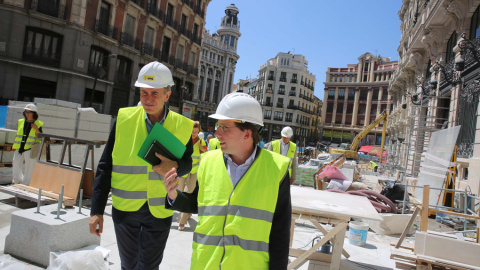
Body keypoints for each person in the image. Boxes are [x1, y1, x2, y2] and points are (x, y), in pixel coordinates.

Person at [164, 92, 292, 270]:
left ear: (247, 134)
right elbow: (197, 203)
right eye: (218, 126)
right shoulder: (208, 161)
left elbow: (280, 233)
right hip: (205, 264)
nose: (216, 133)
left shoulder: (277, 169)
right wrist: (173, 196)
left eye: (224, 127)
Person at [89, 61, 194, 270]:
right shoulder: (124, 119)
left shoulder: (182, 125)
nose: (148, 99)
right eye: (143, 93)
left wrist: (175, 166)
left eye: (154, 94)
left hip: (160, 210)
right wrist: (96, 210)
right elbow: (105, 166)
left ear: (167, 95)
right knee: (128, 265)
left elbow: (187, 163)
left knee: (149, 267)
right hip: (125, 209)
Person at [177, 121, 207, 231]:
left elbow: (207, 153)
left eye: (196, 131)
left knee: (187, 192)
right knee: (181, 192)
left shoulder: (201, 141)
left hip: (193, 171)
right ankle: (187, 213)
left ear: (199, 131)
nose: (193, 133)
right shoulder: (184, 139)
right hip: (183, 171)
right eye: (192, 131)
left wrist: (201, 148)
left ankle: (182, 221)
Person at [12, 104, 43, 185]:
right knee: (15, 163)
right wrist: (14, 145)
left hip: (30, 148)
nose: (27, 114)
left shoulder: (38, 124)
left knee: (29, 167)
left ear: (34, 113)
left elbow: (40, 137)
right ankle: (17, 180)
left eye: (29, 112)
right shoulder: (20, 121)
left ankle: (26, 183)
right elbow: (18, 134)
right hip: (19, 147)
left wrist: (36, 129)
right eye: (26, 112)